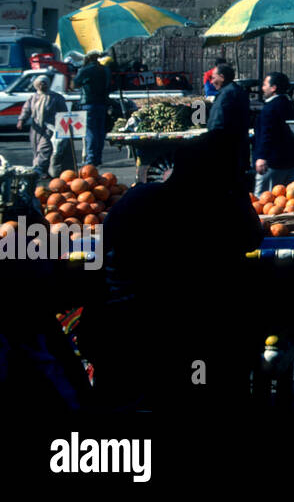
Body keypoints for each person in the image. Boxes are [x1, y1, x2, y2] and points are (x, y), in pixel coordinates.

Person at [78, 133, 264, 411]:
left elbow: (99, 262)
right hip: (174, 339)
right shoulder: (216, 211)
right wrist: (237, 190)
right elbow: (253, 238)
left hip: (120, 335)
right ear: (220, 176)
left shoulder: (138, 198)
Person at [254, 72, 294, 194]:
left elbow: (267, 135)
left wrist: (262, 157)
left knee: (263, 202)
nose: (262, 88)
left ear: (274, 88)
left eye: (265, 85)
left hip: (272, 164)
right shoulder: (292, 106)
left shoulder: (270, 108)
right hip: (291, 162)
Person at [17, 74, 68, 174]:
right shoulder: (33, 98)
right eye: (40, 84)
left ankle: (37, 169)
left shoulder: (56, 97)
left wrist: (63, 128)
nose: (42, 86)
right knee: (36, 149)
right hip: (36, 129)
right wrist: (21, 120)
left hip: (50, 128)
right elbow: (26, 110)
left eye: (44, 83)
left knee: (44, 149)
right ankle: (43, 170)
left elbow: (64, 113)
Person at [207, 62, 251, 174]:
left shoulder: (226, 95)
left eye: (213, 78)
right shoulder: (238, 91)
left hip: (226, 150)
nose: (211, 82)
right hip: (238, 148)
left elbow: (218, 123)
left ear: (222, 77)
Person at [73, 51, 110, 167]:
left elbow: (75, 84)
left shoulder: (85, 70)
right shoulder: (105, 69)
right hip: (102, 102)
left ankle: (91, 159)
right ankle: (98, 157)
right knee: (100, 131)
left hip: (88, 103)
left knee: (90, 132)